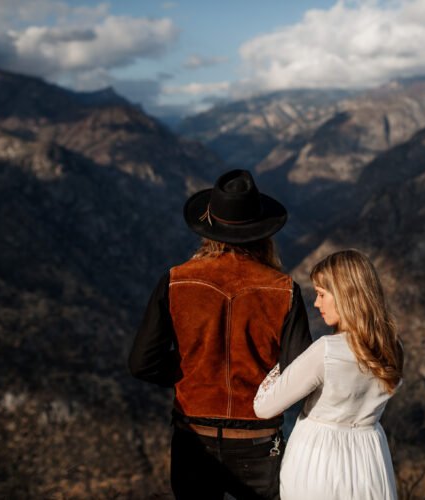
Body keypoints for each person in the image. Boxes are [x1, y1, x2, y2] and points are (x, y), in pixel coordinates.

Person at [128, 169, 313, 500]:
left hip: (193, 436)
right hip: (258, 440)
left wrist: (191, 370)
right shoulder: (284, 290)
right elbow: (298, 372)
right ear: (262, 232)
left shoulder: (176, 281)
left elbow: (142, 362)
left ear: (208, 229)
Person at [254, 249, 404, 500]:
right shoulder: (393, 348)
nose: (316, 303)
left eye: (322, 294)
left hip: (319, 459)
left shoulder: (326, 351)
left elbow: (264, 407)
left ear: (346, 295)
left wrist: (284, 362)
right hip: (371, 461)